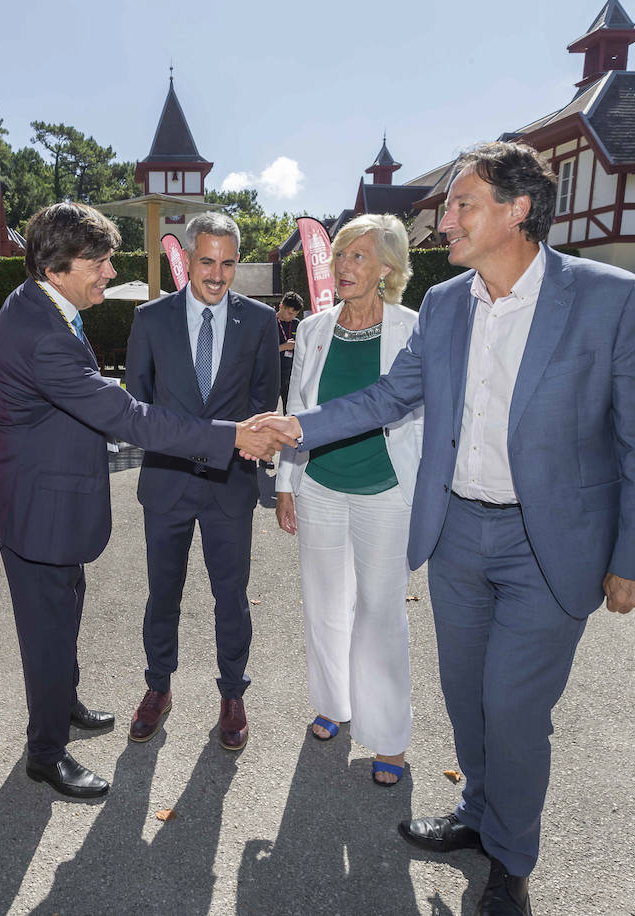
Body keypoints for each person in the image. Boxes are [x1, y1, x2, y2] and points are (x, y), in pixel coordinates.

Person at [256, 142, 635, 916]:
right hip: (456, 536)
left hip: (546, 545)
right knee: (467, 697)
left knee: (515, 709)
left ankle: (510, 862)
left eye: (462, 204)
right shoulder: (450, 305)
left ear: (517, 212)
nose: (444, 218)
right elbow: (387, 399)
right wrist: (294, 428)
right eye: (448, 206)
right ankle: (480, 815)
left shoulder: (610, 299)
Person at [0, 202, 288, 799]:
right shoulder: (46, 333)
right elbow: (127, 411)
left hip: (56, 500)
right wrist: (228, 437)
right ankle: (46, 752)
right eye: (98, 262)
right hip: (40, 509)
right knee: (47, 631)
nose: (107, 272)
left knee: (64, 615)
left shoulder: (40, 306)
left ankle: (62, 704)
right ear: (59, 265)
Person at [274, 214, 424, 786]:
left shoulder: (413, 328)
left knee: (381, 614)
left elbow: (424, 418)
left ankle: (388, 736)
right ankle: (333, 703)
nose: (343, 267)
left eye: (358, 257)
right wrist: (286, 484)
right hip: (321, 488)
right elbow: (297, 409)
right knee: (323, 603)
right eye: (339, 256)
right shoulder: (313, 329)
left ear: (388, 267)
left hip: (386, 490)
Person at [123, 212, 280, 751]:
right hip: (166, 483)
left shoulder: (260, 323)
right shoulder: (150, 319)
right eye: (207, 261)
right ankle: (157, 687)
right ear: (187, 259)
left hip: (228, 486)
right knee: (162, 593)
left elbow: (264, 403)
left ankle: (233, 693)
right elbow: (138, 406)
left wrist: (239, 442)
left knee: (230, 596)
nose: (217, 275)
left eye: (228, 263)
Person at [276, 290, 303, 412]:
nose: (291, 317)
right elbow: (261, 350)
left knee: (290, 408)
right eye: (290, 313)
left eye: (295, 314)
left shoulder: (297, 324)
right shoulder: (269, 321)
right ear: (281, 306)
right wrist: (283, 347)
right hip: (272, 372)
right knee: (268, 409)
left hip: (291, 372)